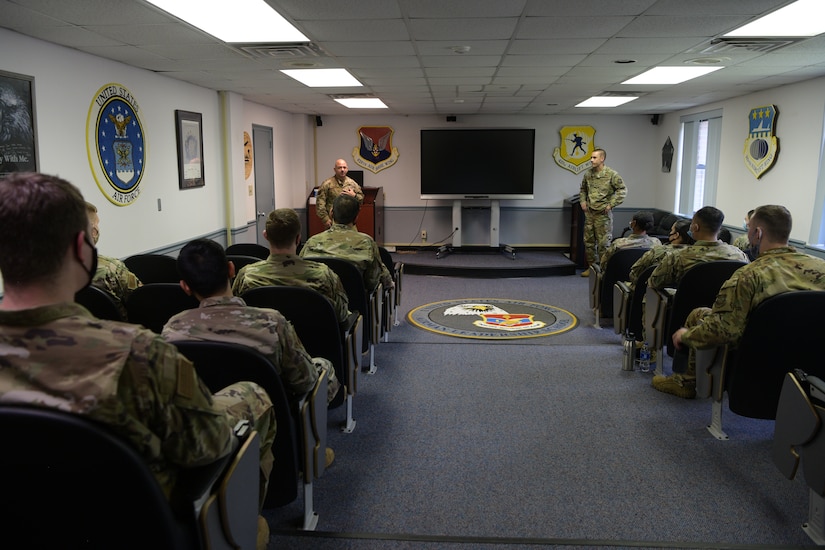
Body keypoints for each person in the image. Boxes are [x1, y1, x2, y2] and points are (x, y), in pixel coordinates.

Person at [0, 172, 275, 549]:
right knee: (251, 395)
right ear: (83, 250)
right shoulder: (139, 354)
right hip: (131, 527)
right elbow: (207, 446)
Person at [162, 238, 340, 466]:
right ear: (230, 269)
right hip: (275, 416)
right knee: (323, 367)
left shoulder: (172, 329)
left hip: (213, 424)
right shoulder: (271, 321)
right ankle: (311, 450)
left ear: (185, 286)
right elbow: (304, 381)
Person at [656, 205, 825, 399]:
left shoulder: (749, 276)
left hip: (757, 360)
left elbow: (724, 330)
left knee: (699, 315)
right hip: (811, 361)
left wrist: (687, 336)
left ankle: (685, 382)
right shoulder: (821, 267)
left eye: (749, 229)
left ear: (758, 233)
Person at [232, 208, 352, 325]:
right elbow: (341, 315)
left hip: (262, 343)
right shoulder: (323, 274)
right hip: (315, 344)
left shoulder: (246, 275)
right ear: (298, 238)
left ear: (266, 236)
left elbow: (234, 313)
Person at [300, 193, 393, 293]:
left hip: (319, 303)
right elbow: (372, 282)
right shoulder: (367, 243)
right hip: (355, 304)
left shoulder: (312, 242)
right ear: (356, 217)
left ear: (331, 213)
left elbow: (300, 271)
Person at [647, 206, 749, 292]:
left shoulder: (678, 257)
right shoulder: (740, 255)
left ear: (695, 227)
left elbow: (654, 282)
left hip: (684, 312)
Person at [85, 201, 143, 319]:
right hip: (117, 333)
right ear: (93, 232)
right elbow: (142, 300)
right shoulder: (111, 268)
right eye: (97, 224)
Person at [579, 148, 627, 277]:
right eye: (591, 157)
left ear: (602, 159)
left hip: (603, 215)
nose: (591, 160)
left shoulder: (612, 174)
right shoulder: (588, 174)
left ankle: (604, 270)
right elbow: (583, 189)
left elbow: (622, 190)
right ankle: (592, 268)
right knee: (588, 243)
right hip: (590, 214)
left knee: (603, 244)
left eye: (594, 158)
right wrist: (582, 201)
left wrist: (611, 204)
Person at [627, 219, 694, 291]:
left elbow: (634, 274)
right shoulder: (697, 256)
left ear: (676, 235)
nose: (670, 233)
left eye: (671, 230)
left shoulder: (657, 251)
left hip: (652, 297)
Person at [315, 158, 364, 228]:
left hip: (349, 222)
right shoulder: (327, 184)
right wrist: (325, 219)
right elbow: (320, 203)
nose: (342, 170)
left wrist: (354, 196)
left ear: (347, 169)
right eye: (339, 168)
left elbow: (361, 199)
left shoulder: (352, 184)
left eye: (344, 167)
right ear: (335, 170)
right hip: (333, 221)